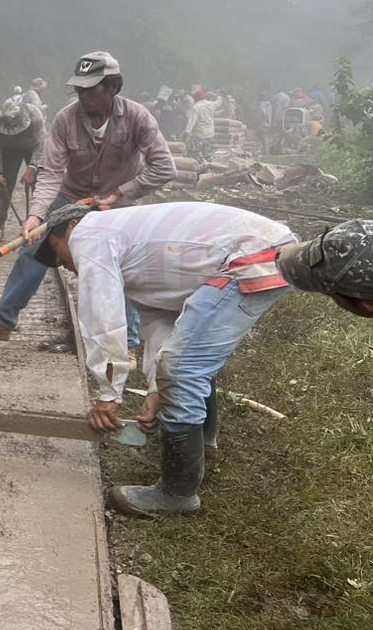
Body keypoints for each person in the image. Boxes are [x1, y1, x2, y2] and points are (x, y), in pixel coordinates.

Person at [35, 204, 373, 517]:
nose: (71, 268)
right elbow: (161, 326)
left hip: (250, 258)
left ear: (64, 231)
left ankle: (177, 493)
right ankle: (203, 444)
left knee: (184, 367)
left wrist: (109, 394)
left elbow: (102, 317)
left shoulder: (88, 235)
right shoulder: (136, 252)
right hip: (262, 251)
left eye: (62, 260)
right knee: (187, 357)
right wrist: (156, 391)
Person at [0, 51, 175, 341]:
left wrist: (119, 193)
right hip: (73, 196)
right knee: (36, 248)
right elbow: (51, 172)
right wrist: (36, 215)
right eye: (79, 89)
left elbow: (165, 167)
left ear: (112, 88)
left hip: (120, 204)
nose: (83, 96)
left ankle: (127, 340)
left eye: (90, 90)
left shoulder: (137, 117)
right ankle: (4, 318)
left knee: (120, 264)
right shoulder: (66, 119)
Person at [0, 97, 44, 243]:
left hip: (32, 148)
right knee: (5, 186)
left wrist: (32, 167)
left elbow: (40, 145)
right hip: (9, 151)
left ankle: (41, 225)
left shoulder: (35, 116)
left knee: (39, 186)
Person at [185, 88, 217, 163]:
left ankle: (201, 170)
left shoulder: (196, 107)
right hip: (210, 132)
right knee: (208, 154)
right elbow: (218, 103)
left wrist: (187, 133)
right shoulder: (211, 104)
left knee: (198, 155)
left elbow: (192, 121)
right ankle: (210, 169)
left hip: (199, 134)